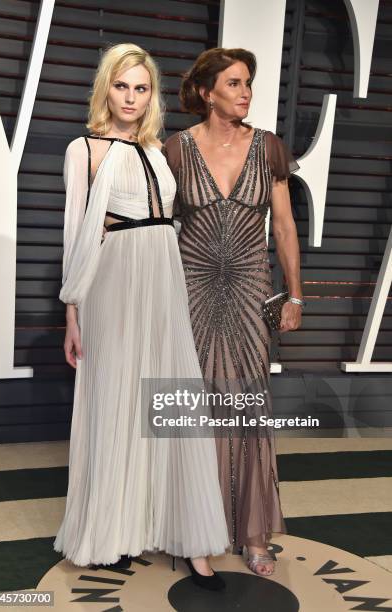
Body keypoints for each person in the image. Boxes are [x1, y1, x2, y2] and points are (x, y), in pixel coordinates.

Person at [53, 42, 230, 591]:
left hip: (162, 278)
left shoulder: (159, 149)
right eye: (121, 85)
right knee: (115, 404)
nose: (130, 97)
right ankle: (108, 535)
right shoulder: (83, 149)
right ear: (105, 88)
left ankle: (190, 538)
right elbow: (74, 234)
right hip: (112, 282)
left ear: (152, 95)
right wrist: (73, 314)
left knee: (169, 399)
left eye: (141, 87)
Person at [163, 47, 303, 577]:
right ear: (206, 92)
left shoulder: (268, 147)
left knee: (246, 407)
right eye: (235, 83)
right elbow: (157, 228)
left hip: (248, 292)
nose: (246, 92)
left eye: (249, 82)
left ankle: (252, 532)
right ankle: (191, 525)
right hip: (190, 292)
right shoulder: (176, 150)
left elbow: (285, 227)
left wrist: (295, 295)